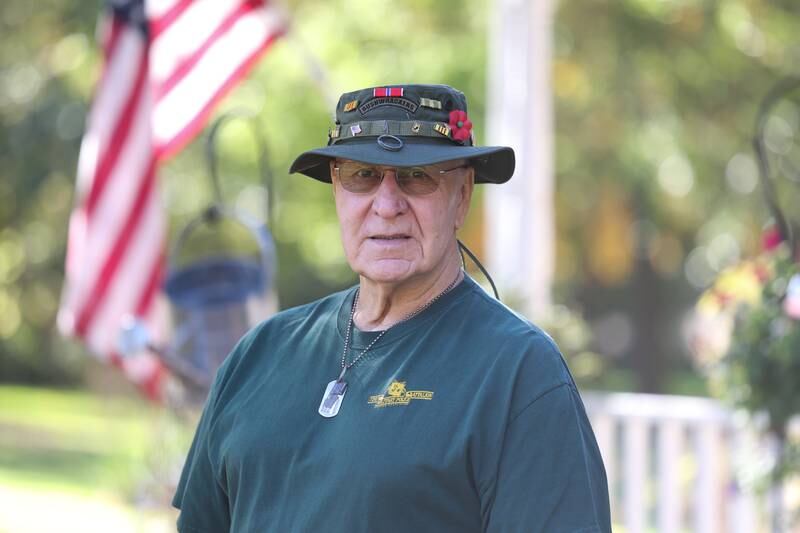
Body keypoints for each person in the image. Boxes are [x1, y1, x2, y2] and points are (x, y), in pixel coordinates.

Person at [173, 84, 611, 532]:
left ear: (462, 196)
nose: (386, 205)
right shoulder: (259, 353)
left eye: (417, 177)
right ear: (337, 192)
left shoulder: (519, 371)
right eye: (362, 176)